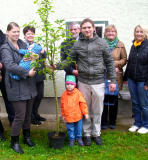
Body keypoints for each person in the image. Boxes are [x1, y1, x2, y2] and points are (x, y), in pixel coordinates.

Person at [52, 18, 117, 146]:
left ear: (93, 28)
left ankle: (96, 133)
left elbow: (109, 62)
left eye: (89, 27)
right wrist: (56, 66)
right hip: (83, 81)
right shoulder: (77, 45)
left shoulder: (102, 43)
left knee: (98, 109)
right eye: (84, 28)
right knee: (83, 108)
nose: (87, 30)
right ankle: (86, 133)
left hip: (98, 81)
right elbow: (69, 61)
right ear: (81, 30)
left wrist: (113, 80)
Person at [0, 22, 37, 154]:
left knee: (28, 114)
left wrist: (34, 57)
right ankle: (14, 141)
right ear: (8, 32)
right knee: (20, 115)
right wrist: (27, 73)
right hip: (15, 85)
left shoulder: (22, 44)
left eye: (17, 31)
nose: (16, 34)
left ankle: (27, 137)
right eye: (13, 31)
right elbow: (9, 65)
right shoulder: (5, 47)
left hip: (29, 85)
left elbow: (31, 55)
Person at [124, 24, 148, 134]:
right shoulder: (134, 46)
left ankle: (146, 126)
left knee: (144, 104)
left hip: (144, 81)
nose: (138, 34)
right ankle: (137, 123)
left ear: (145, 33)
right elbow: (130, 62)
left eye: (141, 32)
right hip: (132, 79)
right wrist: (125, 76)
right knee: (135, 103)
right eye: (137, 31)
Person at [101, 25, 127, 130]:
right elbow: (97, 58)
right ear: (105, 33)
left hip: (116, 76)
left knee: (113, 99)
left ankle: (112, 120)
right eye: (108, 31)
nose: (110, 33)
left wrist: (114, 65)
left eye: (112, 31)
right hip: (102, 75)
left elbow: (124, 59)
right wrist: (108, 66)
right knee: (103, 99)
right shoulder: (101, 44)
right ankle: (103, 121)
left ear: (115, 33)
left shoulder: (120, 45)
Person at [23, 26, 47, 125]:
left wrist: (43, 52)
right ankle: (31, 117)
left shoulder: (37, 45)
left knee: (40, 95)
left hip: (39, 75)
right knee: (32, 97)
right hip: (30, 75)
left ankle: (35, 113)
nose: (30, 35)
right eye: (28, 33)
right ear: (24, 35)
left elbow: (43, 57)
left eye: (32, 33)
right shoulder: (23, 46)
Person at [60, 75, 89, 147]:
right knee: (70, 128)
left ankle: (79, 138)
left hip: (77, 115)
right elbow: (62, 106)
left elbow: (82, 103)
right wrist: (63, 115)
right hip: (69, 115)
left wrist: (85, 113)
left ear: (75, 85)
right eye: (67, 84)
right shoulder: (64, 95)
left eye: (71, 84)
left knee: (78, 128)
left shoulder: (78, 93)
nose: (69, 86)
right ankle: (71, 139)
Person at [60, 22, 80, 87]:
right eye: (71, 30)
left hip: (84, 76)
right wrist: (72, 71)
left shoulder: (85, 42)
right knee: (70, 95)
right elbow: (63, 60)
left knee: (82, 96)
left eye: (75, 29)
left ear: (79, 30)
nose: (73, 31)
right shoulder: (64, 44)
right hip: (70, 75)